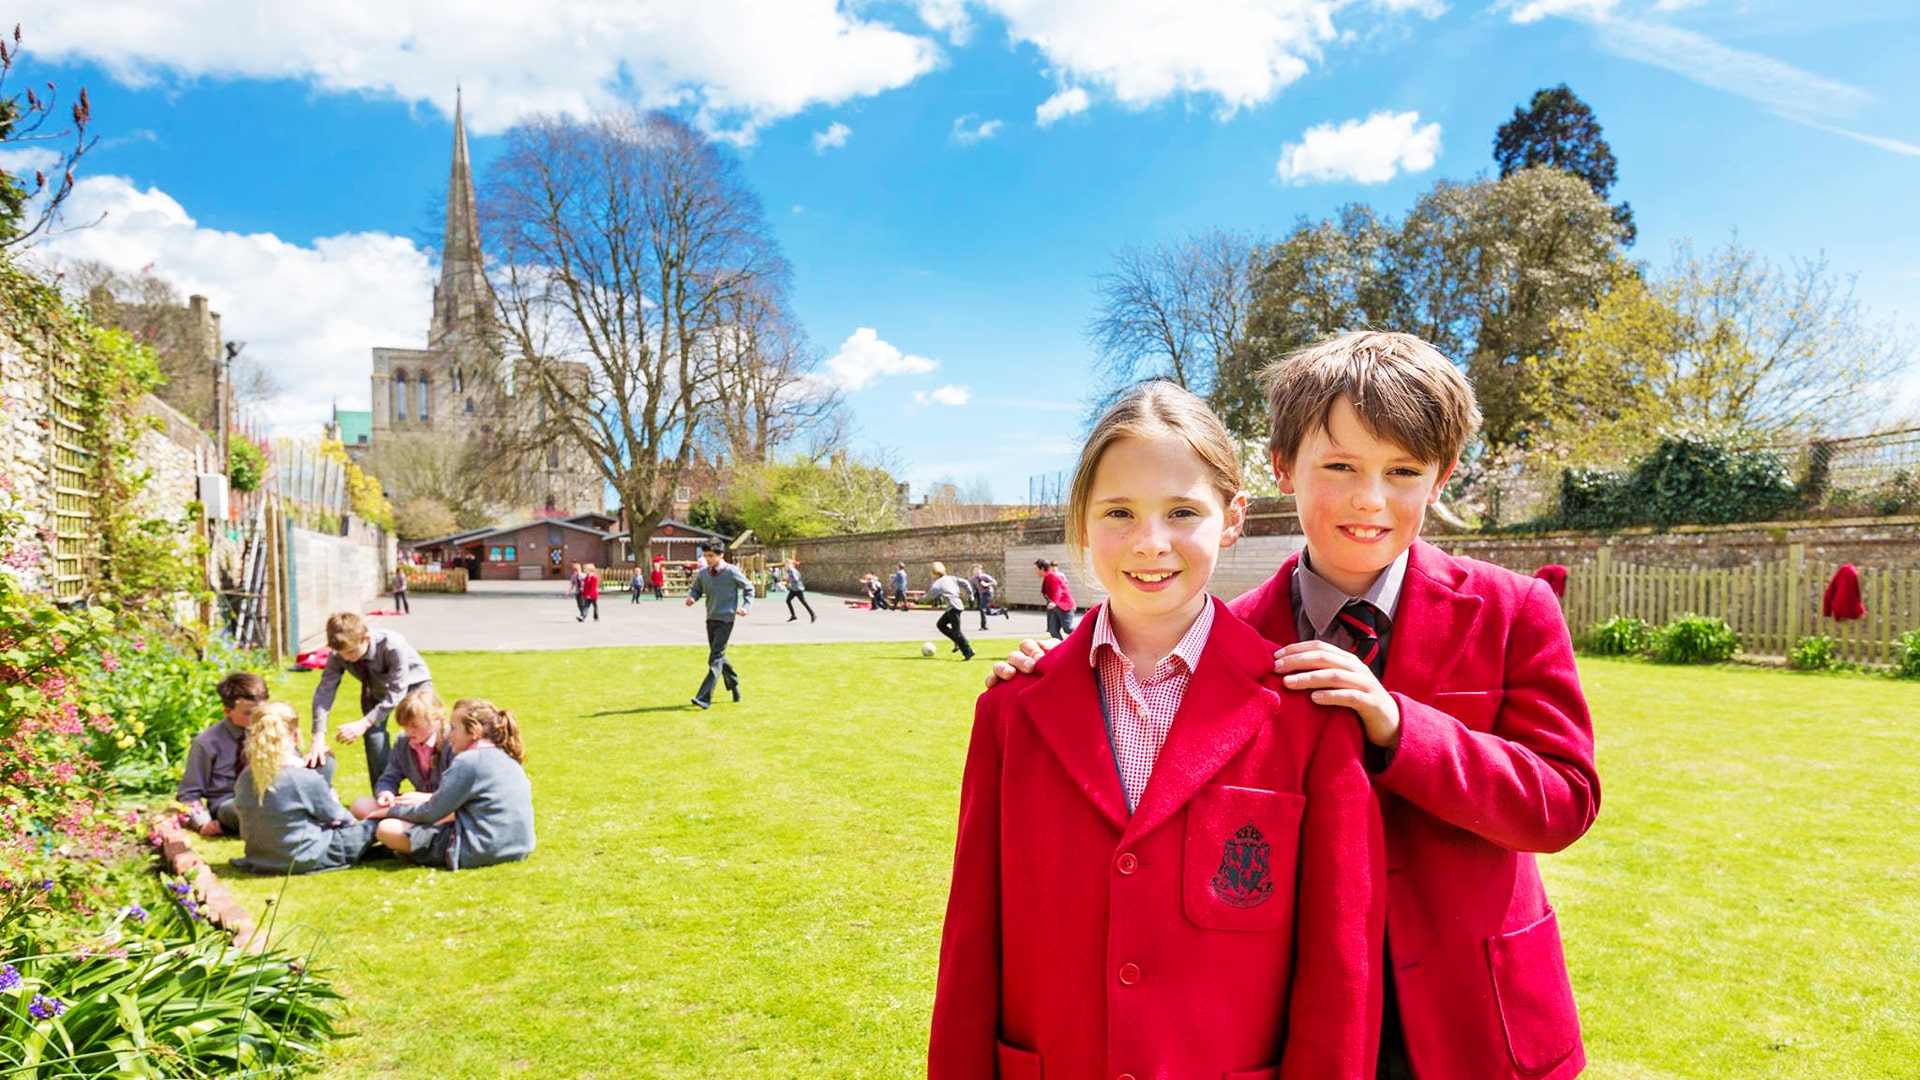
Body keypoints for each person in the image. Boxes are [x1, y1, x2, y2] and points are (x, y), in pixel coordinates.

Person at [988, 331, 1600, 1080]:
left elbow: (1564, 801)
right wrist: (1051, 672)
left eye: (1403, 471)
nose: (1367, 499)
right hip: (1288, 1022)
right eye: (1338, 466)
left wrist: (1401, 726)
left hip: (1471, 1014)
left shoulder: (1511, 609)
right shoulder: (1233, 642)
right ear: (1282, 468)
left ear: (1440, 478)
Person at [929, 381, 1382, 1078]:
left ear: (1232, 518)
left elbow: (1339, 967)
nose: (1151, 542)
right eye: (1119, 512)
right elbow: (970, 944)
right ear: (1080, 521)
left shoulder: (1308, 714)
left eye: (1182, 512)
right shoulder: (1012, 713)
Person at [370, 698, 535, 871]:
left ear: (475, 731)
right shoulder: (505, 755)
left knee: (387, 828)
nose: (449, 735)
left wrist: (389, 811)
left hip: (479, 849)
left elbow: (430, 812)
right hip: (519, 846)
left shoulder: (468, 761)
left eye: (454, 728)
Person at [231, 702, 379, 874]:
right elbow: (341, 819)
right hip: (305, 857)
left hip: (261, 858)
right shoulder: (302, 778)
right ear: (295, 736)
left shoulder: (246, 777)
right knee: (372, 826)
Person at [309, 612, 434, 792]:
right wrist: (318, 735)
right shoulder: (339, 655)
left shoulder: (392, 644)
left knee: (424, 735)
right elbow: (325, 691)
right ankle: (384, 793)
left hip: (414, 685)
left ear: (366, 638)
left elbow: (397, 690)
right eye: (341, 654)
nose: (346, 658)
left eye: (351, 652)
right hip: (376, 689)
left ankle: (431, 792)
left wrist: (364, 722)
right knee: (374, 737)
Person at [177, 671, 268, 838]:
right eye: (248, 714)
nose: (257, 719)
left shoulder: (271, 732)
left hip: (269, 795)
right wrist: (202, 822)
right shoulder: (207, 743)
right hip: (230, 802)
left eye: (261, 712)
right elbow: (188, 793)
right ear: (227, 711)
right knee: (236, 810)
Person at [350, 689, 454, 821]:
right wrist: (385, 793)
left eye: (415, 726)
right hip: (417, 806)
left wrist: (429, 798)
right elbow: (389, 777)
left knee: (388, 829)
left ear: (437, 720)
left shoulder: (453, 742)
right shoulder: (403, 742)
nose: (409, 731)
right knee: (360, 805)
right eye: (405, 726)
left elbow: (462, 791)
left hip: (447, 809)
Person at [686, 540, 754, 709]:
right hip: (711, 618)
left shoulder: (731, 572)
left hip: (726, 619)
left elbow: (749, 588)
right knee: (719, 656)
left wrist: (745, 608)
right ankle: (734, 683)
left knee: (715, 658)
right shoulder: (703, 574)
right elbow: (696, 588)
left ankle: (703, 698)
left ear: (721, 555)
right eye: (705, 556)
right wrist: (693, 597)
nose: (708, 559)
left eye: (711, 556)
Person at [924, 561, 975, 660]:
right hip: (955, 607)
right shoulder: (952, 578)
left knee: (957, 632)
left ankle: (968, 651)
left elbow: (929, 596)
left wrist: (918, 599)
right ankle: (957, 641)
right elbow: (965, 582)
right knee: (941, 624)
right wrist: (970, 594)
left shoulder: (937, 584)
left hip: (953, 607)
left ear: (933, 573)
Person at [1036, 557, 1077, 640]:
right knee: (1053, 630)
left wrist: (1054, 602)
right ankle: (1062, 649)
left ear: (1042, 569)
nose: (1035, 571)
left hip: (1065, 605)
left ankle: (1089, 635)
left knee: (1067, 628)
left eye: (1036, 569)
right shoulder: (1048, 577)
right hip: (1056, 607)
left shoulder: (1052, 576)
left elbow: (1057, 590)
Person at [968, 563, 1006, 631]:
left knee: (982, 609)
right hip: (981, 595)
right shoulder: (973, 579)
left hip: (988, 593)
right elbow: (973, 588)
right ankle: (1002, 611)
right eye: (975, 570)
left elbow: (994, 582)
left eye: (978, 570)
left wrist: (987, 584)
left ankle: (984, 626)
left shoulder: (985, 576)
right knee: (988, 612)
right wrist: (972, 595)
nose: (976, 572)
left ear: (981, 570)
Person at [782, 557, 817, 623]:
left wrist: (788, 582)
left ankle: (813, 614)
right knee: (788, 600)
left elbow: (796, 579)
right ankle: (793, 616)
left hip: (798, 589)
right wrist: (787, 581)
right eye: (785, 564)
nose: (786, 565)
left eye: (787, 564)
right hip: (793, 589)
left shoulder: (793, 570)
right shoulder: (788, 571)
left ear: (790, 564)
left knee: (804, 602)